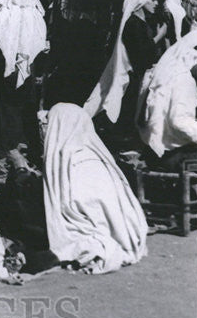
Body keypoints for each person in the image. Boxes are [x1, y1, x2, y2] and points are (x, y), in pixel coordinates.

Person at [42, 104, 148, 274]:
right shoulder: (78, 154)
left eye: (48, 122)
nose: (44, 127)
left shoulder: (81, 162)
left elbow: (92, 205)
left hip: (100, 226)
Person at [0, 0, 48, 161]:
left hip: (6, 70)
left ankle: (4, 147)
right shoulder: (36, 16)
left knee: (7, 110)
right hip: (28, 69)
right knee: (28, 109)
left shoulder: (5, 15)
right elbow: (41, 45)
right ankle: (31, 148)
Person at [84, 0, 166, 129]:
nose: (156, 3)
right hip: (133, 78)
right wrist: (158, 37)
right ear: (141, 1)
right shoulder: (133, 24)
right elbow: (140, 53)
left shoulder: (141, 22)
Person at [137, 29, 197, 171]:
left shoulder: (157, 72)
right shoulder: (183, 79)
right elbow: (179, 122)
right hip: (172, 157)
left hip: (151, 152)